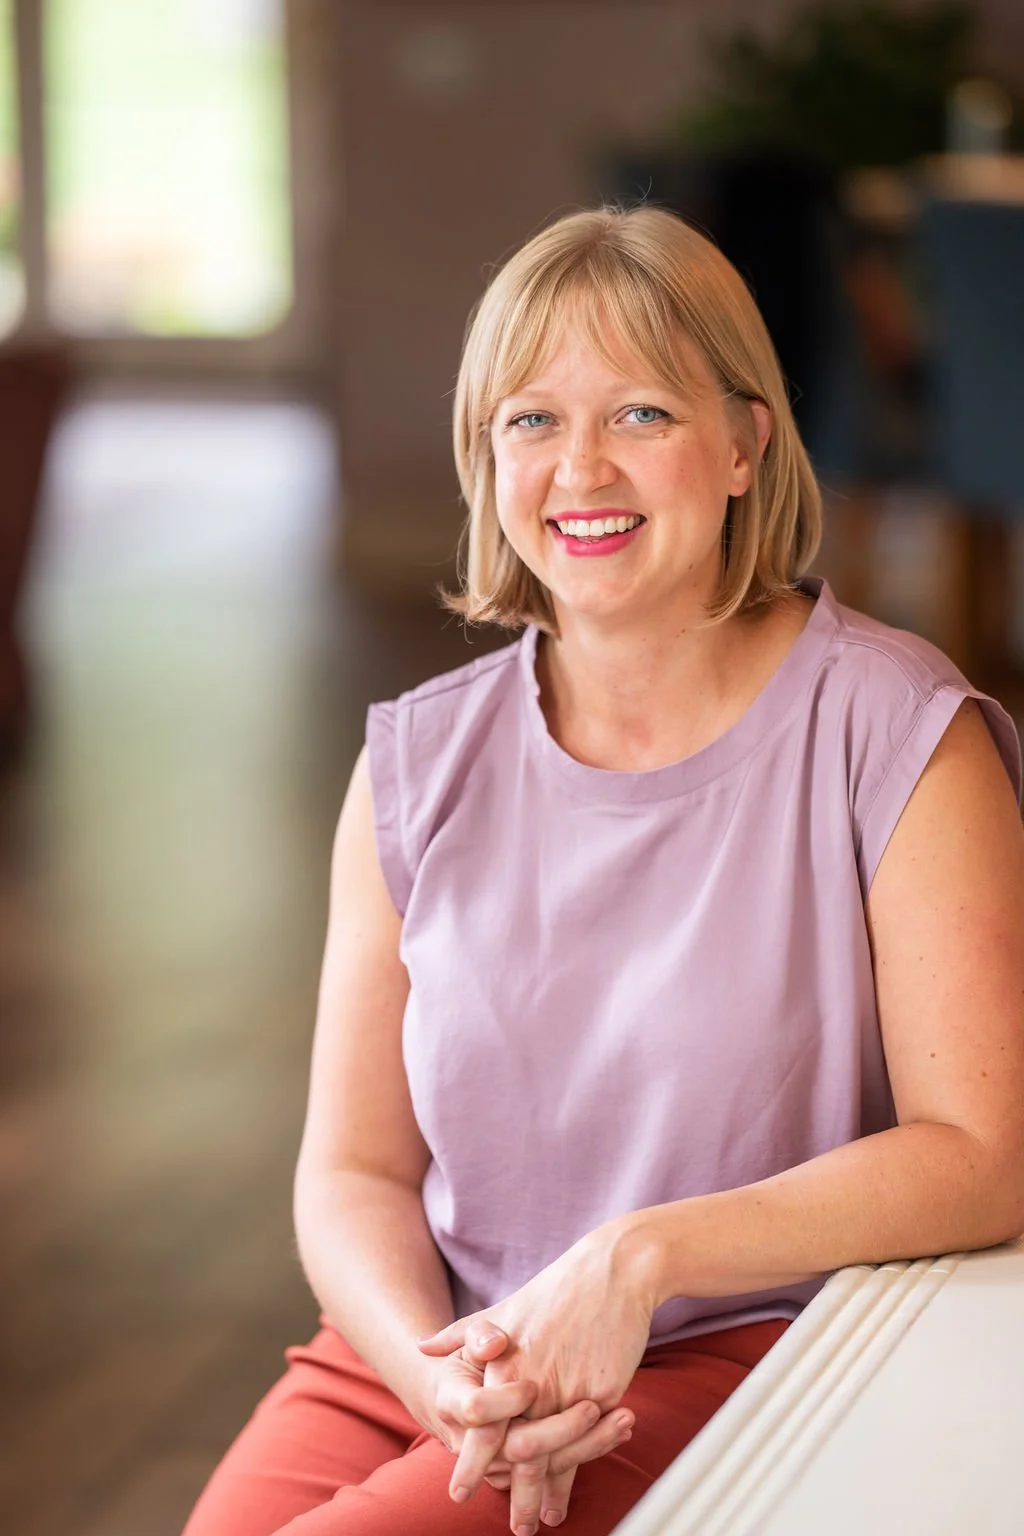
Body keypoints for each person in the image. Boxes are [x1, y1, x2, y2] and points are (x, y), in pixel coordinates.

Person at [182, 206, 1024, 1536]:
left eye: (639, 414)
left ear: (746, 443)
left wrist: (640, 1258)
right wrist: (440, 1378)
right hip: (431, 1350)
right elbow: (351, 1174)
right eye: (530, 420)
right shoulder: (415, 763)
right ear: (486, 456)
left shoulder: (899, 734)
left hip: (727, 1347)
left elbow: (983, 1156)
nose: (581, 469)